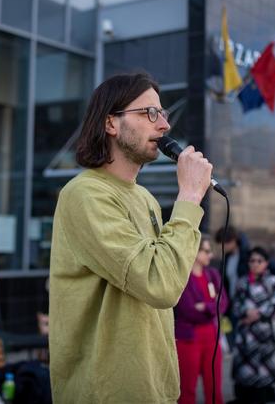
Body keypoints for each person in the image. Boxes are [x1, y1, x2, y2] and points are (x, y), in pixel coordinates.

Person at [48, 72, 213, 403]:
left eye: (162, 113)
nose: (164, 124)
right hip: (106, 393)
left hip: (156, 388)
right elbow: (160, 284)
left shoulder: (146, 199)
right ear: (111, 123)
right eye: (150, 113)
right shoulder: (84, 194)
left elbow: (167, 274)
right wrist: (190, 198)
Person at [174, 235, 228, 404]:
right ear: (194, 251)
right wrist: (213, 306)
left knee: (214, 388)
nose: (210, 255)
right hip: (188, 340)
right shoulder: (182, 278)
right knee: (187, 390)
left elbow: (224, 302)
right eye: (206, 251)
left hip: (212, 338)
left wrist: (205, 307)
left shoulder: (212, 274)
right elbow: (188, 310)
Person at [231, 246, 275, 404]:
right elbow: (235, 306)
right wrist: (245, 313)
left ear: (266, 263)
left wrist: (257, 314)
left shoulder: (274, 282)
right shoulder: (242, 282)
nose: (255, 264)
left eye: (259, 261)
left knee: (263, 377)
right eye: (252, 260)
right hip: (244, 340)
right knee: (244, 377)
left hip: (264, 339)